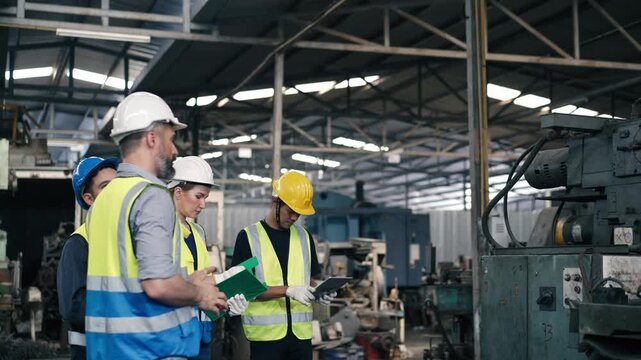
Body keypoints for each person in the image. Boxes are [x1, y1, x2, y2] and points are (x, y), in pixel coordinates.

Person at [84, 91, 228, 360]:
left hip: (107, 349)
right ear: (152, 138)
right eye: (170, 139)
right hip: (149, 349)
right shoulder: (150, 195)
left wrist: (185, 281)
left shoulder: (104, 201)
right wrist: (200, 292)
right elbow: (158, 286)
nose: (174, 151)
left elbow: (126, 276)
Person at [231, 171, 336, 360]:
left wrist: (320, 292)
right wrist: (287, 290)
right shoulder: (249, 237)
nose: (295, 217)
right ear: (275, 202)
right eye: (291, 211)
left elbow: (310, 280)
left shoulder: (304, 237)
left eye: (299, 213)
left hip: (301, 338)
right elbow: (242, 289)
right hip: (266, 339)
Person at [168, 156, 249, 360]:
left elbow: (205, 281)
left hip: (202, 330)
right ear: (178, 192)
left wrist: (226, 300)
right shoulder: (161, 230)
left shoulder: (197, 231)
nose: (203, 204)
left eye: (205, 197)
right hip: (173, 332)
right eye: (198, 196)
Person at [57, 156, 118, 359]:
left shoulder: (124, 239)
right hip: (91, 351)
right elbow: (73, 308)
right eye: (106, 186)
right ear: (89, 198)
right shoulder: (78, 244)